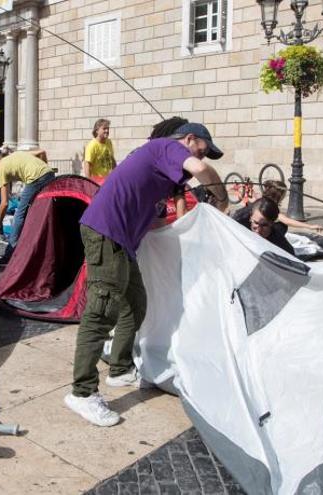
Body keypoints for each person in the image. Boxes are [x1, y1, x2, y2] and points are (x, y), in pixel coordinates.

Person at [63, 121, 228, 427]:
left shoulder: (162, 173)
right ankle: (82, 392)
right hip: (105, 233)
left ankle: (120, 369)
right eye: (202, 151)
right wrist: (221, 198)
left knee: (135, 304)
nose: (201, 161)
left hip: (122, 241)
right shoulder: (166, 147)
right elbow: (204, 173)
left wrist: (188, 226)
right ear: (189, 139)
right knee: (101, 312)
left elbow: (153, 222)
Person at [0, 149, 55, 264]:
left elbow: (4, 203)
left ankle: (10, 253)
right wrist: (45, 169)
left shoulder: (1, 170)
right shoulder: (15, 155)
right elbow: (42, 152)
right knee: (37, 212)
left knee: (19, 215)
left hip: (35, 178)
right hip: (49, 173)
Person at [82, 118, 116, 182]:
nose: (107, 131)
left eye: (108, 128)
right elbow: (87, 165)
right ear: (97, 131)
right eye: (104, 128)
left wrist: (116, 173)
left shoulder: (109, 142)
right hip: (97, 182)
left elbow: (112, 159)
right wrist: (89, 183)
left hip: (108, 180)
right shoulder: (92, 145)